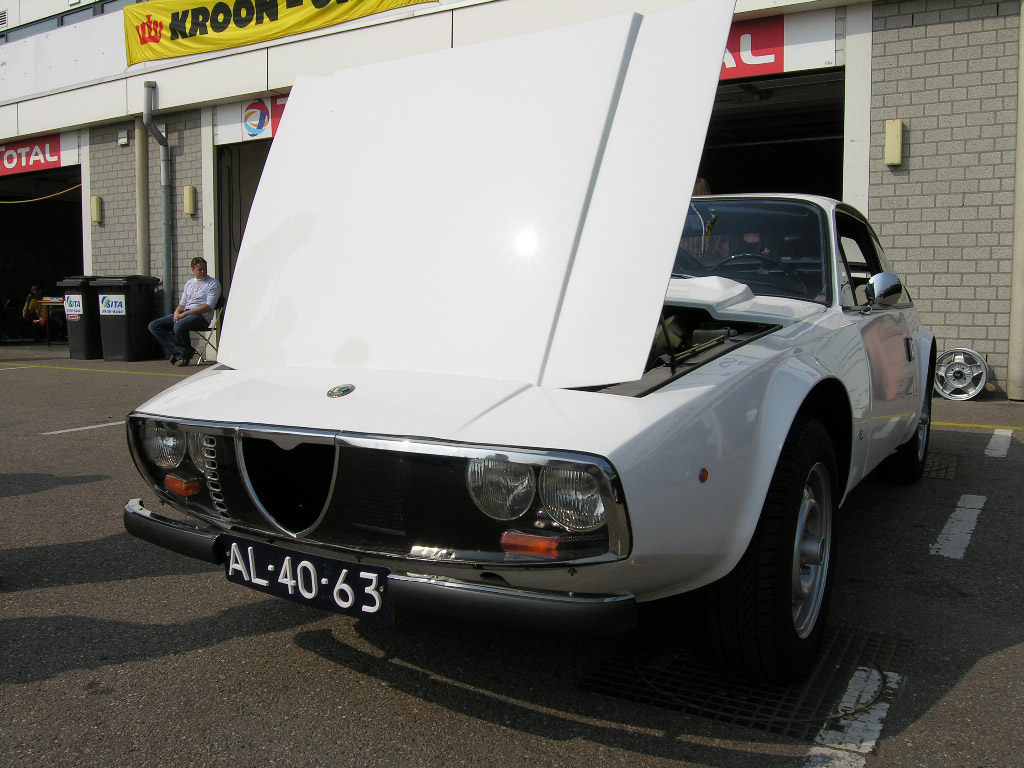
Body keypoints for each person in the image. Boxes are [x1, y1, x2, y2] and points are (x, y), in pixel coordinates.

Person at [149, 257, 221, 366]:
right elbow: (182, 303)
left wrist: (185, 314)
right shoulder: (189, 283)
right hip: (185, 313)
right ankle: (182, 351)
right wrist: (177, 313)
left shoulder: (212, 283)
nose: (203, 272)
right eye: (200, 269)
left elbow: (209, 306)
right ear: (193, 270)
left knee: (179, 326)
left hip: (201, 316)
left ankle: (182, 352)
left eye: (205, 269)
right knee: (154, 325)